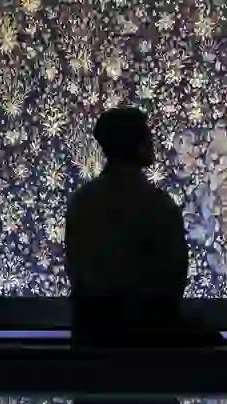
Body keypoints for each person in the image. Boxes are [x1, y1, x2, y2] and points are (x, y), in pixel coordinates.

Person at [65, 107, 215, 347]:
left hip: (92, 331)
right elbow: (172, 282)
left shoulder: (82, 201)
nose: (152, 143)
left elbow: (78, 272)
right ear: (138, 146)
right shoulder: (156, 205)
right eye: (147, 136)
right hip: (145, 332)